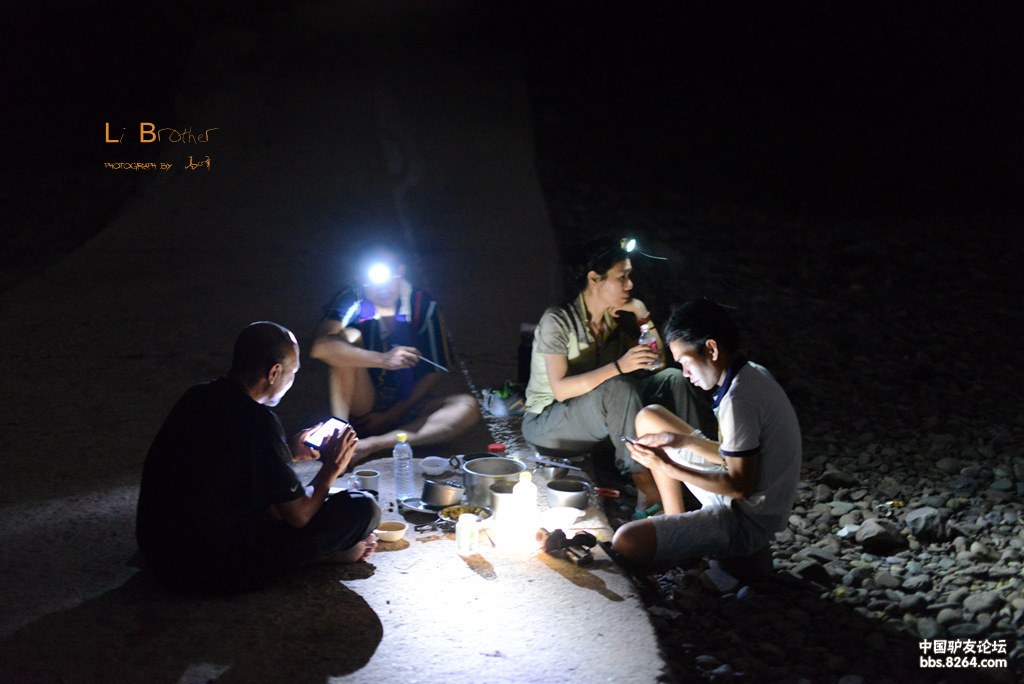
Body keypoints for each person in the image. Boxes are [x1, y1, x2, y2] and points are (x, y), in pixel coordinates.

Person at [136, 321, 381, 595]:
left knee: (278, 504)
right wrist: (332, 467)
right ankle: (327, 555)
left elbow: (226, 466)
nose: (292, 381)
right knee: (363, 507)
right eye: (293, 373)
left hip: (158, 554)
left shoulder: (196, 396)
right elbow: (299, 516)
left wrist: (288, 453)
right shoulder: (258, 421)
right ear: (274, 372)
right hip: (205, 570)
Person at [612, 299, 802, 573]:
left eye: (685, 362)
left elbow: (739, 487)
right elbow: (730, 456)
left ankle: (698, 554)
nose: (685, 373)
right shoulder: (750, 373)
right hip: (742, 497)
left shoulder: (739, 400)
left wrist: (667, 466)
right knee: (650, 417)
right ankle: (676, 519)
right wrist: (679, 441)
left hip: (744, 521)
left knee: (626, 542)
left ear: (711, 349)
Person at [522, 237, 716, 503]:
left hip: (598, 414)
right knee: (619, 387)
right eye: (622, 277)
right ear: (594, 279)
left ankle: (702, 465)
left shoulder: (617, 320)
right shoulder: (558, 320)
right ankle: (644, 484)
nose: (630, 285)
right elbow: (561, 390)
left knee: (671, 379)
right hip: (549, 423)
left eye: (630, 276)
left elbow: (658, 363)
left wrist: (642, 315)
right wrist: (618, 366)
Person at [311, 243, 480, 462]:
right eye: (372, 281)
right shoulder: (352, 297)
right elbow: (320, 347)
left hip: (407, 405)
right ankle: (339, 435)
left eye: (389, 277)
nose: (382, 289)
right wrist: (384, 360)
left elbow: (435, 370)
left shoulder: (423, 306)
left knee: (467, 407)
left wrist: (391, 415)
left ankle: (371, 445)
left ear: (400, 271)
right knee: (348, 337)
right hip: (364, 402)